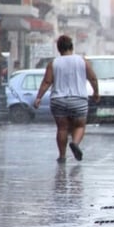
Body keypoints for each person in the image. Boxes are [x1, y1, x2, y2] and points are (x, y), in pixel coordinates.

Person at [34, 35, 99, 163]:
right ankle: (75, 143)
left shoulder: (54, 63)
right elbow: (92, 78)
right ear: (72, 47)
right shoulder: (82, 61)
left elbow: (47, 81)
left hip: (59, 100)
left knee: (62, 128)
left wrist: (39, 97)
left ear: (59, 49)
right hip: (79, 99)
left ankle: (62, 156)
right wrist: (96, 92)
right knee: (79, 125)